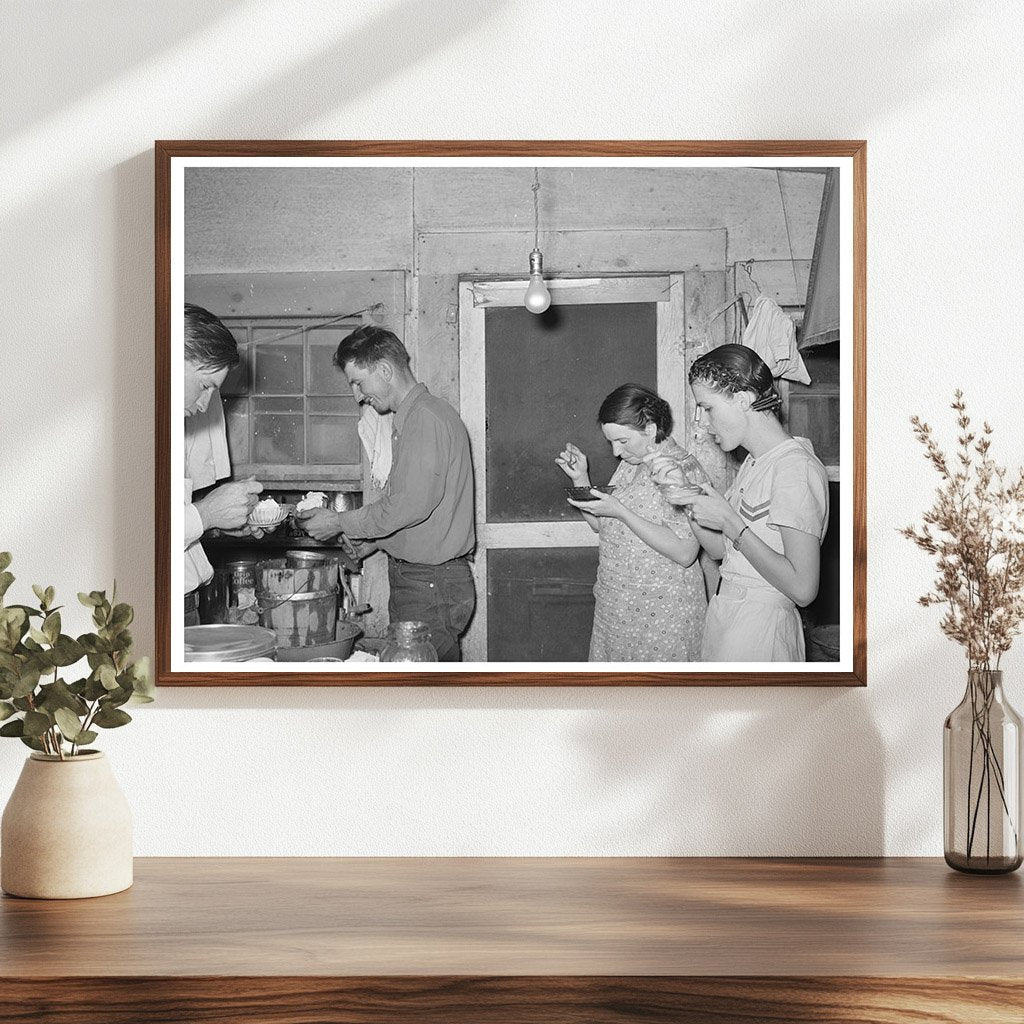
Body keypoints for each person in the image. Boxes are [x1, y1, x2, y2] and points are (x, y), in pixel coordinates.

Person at [296, 327, 475, 662]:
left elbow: (409, 505)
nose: (357, 396)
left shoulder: (425, 419)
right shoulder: (415, 417)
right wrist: (377, 542)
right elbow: (424, 510)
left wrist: (338, 522)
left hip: (429, 584)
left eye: (358, 383)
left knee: (425, 685)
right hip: (426, 582)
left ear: (384, 370)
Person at [647, 344, 829, 662]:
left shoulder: (795, 468)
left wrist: (731, 522)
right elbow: (720, 550)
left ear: (743, 400)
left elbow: (803, 588)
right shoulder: (755, 462)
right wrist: (686, 495)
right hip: (729, 615)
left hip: (764, 628)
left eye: (707, 408)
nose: (702, 422)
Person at [557, 384, 706, 662]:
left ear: (650, 428)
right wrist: (580, 478)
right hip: (617, 610)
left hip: (662, 616)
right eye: (611, 442)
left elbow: (685, 552)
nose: (616, 451)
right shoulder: (631, 464)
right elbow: (602, 526)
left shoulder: (683, 468)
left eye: (622, 441)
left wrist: (622, 511)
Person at [183, 303, 263, 625]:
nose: (205, 406)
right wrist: (207, 514)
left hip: (186, 600)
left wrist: (217, 522)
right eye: (205, 387)